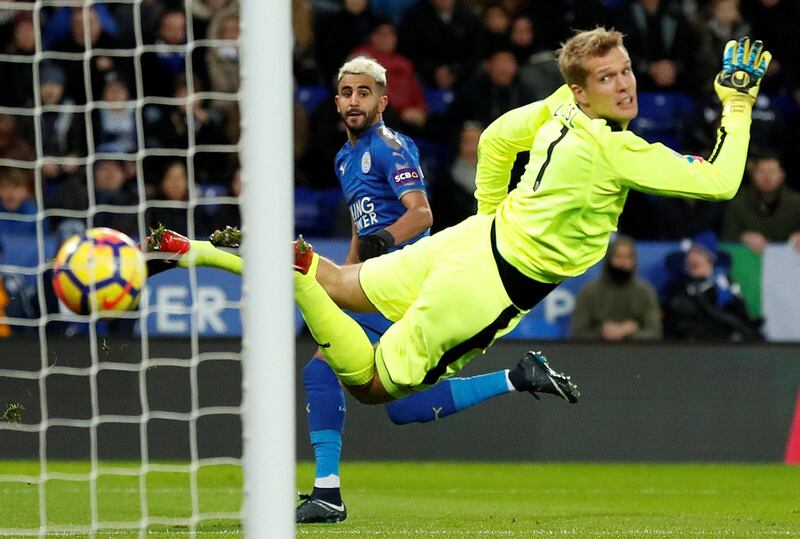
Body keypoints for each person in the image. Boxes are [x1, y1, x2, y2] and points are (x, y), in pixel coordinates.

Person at [147, 56, 577, 525]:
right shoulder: (344, 157)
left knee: (321, 369)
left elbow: (421, 214)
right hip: (372, 281)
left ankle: (327, 493)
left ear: (383, 101)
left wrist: (383, 243)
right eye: (347, 93)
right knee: (403, 408)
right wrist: (347, 277)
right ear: (336, 101)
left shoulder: (391, 146)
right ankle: (518, 377)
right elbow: (359, 222)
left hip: (405, 284)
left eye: (364, 93)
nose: (355, 101)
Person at [288, 30, 768, 406]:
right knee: (373, 387)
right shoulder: (618, 150)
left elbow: (495, 140)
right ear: (581, 90)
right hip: (491, 287)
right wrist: (738, 105)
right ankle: (291, 276)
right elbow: (721, 182)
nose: (624, 84)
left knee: (339, 283)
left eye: (625, 70)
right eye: (607, 78)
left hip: (477, 237)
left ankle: (252, 254)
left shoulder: (560, 104)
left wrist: (488, 218)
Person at [662, 233, 761, 341]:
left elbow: (739, 312)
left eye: (698, 253)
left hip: (724, 337)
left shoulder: (724, 283)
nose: (692, 257)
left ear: (710, 260)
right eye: (690, 253)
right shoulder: (678, 283)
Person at [570, 235, 662, 341]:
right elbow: (577, 332)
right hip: (597, 352)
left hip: (635, 353)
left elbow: (655, 332)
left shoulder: (644, 291)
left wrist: (629, 333)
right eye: (618, 256)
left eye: (628, 257)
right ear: (609, 259)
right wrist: (603, 332)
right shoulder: (590, 291)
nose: (623, 262)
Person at [721, 152, 800, 254]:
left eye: (772, 171)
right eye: (762, 171)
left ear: (782, 174)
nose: (767, 177)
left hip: (789, 261)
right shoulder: (738, 203)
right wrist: (743, 238)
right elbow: (726, 237)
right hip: (749, 260)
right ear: (753, 174)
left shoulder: (796, 203)